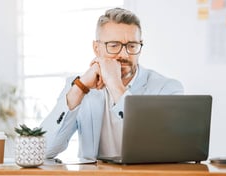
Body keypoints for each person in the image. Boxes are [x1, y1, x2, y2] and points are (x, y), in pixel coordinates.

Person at [40, 7, 183, 160]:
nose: (124, 54)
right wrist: (80, 88)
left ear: (140, 47)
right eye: (114, 45)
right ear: (97, 48)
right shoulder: (80, 86)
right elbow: (43, 150)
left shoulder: (166, 89)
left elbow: (162, 149)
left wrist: (115, 86)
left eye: (132, 46)